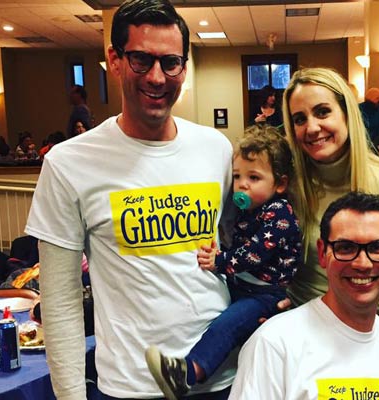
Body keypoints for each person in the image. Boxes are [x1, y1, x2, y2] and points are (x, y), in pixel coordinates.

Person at [25, 1, 236, 398]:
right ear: (115, 60)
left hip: (221, 378)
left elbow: (235, 250)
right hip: (130, 385)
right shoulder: (68, 163)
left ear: (184, 67)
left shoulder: (216, 148)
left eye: (170, 63)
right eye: (141, 59)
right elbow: (61, 301)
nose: (157, 77)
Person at [145, 125, 301, 400]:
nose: (242, 184)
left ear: (279, 184)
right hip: (243, 286)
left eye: (254, 177)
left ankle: (187, 374)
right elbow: (236, 241)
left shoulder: (279, 213)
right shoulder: (248, 209)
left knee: (226, 327)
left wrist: (220, 261)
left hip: (265, 295)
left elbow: (254, 254)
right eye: (237, 176)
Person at [229, 192, 379, 399]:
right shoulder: (274, 343)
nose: (363, 263)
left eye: (377, 247)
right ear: (323, 253)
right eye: (346, 248)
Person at [281, 67, 379, 307]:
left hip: (365, 323)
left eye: (322, 112)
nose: (311, 128)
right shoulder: (287, 185)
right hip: (296, 322)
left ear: (347, 114)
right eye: (300, 119)